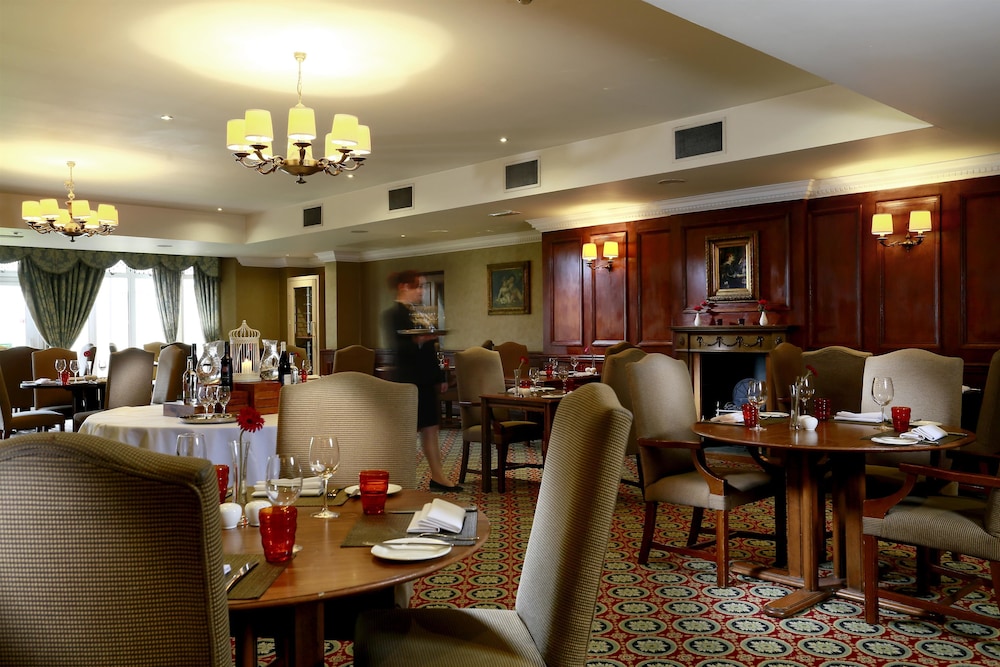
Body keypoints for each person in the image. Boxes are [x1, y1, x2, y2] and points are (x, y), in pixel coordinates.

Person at [383, 270, 462, 491]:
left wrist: (440, 376)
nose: (421, 291)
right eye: (418, 286)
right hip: (407, 381)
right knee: (407, 432)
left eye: (423, 287)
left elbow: (431, 350)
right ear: (403, 287)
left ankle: (438, 477)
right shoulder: (393, 315)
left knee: (431, 429)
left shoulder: (420, 313)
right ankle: (401, 479)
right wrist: (419, 339)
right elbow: (400, 350)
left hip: (426, 379)